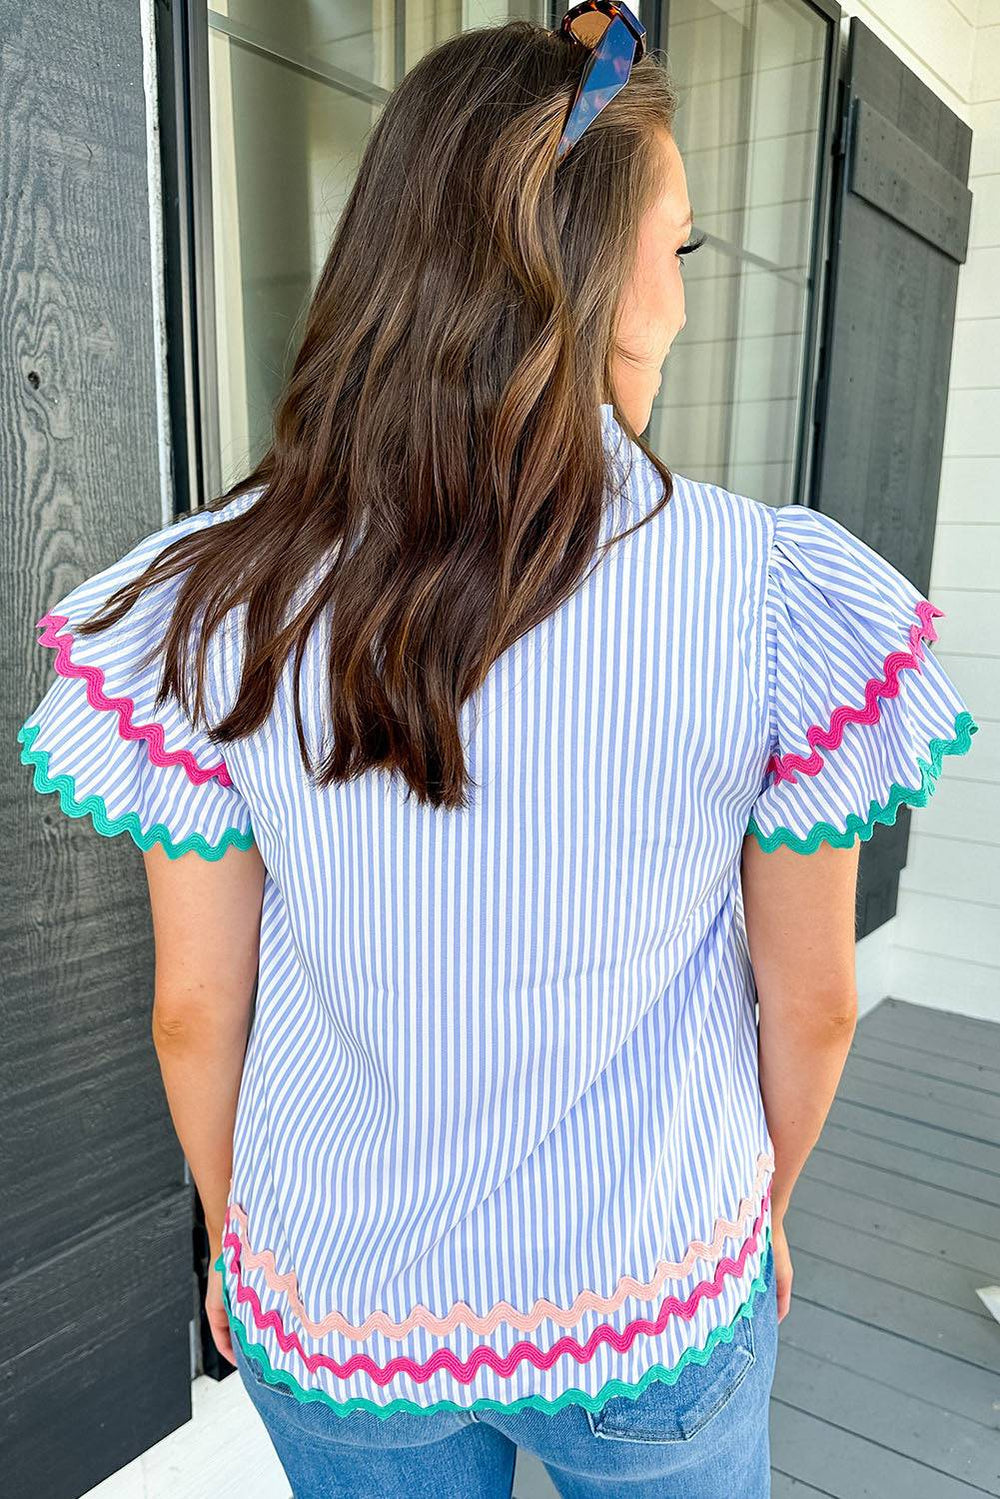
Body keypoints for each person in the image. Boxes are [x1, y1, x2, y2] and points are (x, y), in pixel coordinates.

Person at [15, 7, 979, 1498]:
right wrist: (755, 1215)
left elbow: (195, 1012)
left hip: (337, 1303)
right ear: (601, 281)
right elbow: (818, 1004)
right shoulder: (771, 601)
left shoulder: (212, 603)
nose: (679, 295)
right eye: (681, 249)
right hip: (648, 1288)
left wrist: (237, 1235)